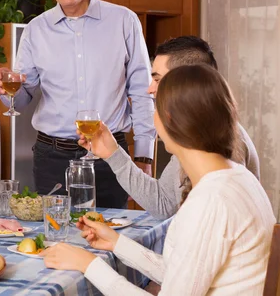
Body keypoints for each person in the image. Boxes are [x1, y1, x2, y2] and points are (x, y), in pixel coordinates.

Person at [41, 64, 275, 294]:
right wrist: (116, 243)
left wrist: (88, 265)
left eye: (156, 108)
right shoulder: (238, 178)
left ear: (170, 119)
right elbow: (182, 274)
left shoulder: (210, 202)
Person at [0, 0, 155, 208]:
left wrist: (145, 158)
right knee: (56, 239)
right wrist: (5, 90)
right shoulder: (36, 30)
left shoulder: (124, 21)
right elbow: (23, 99)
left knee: (112, 237)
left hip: (111, 156)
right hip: (52, 158)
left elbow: (142, 91)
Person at [79, 35, 260, 219]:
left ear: (184, 81)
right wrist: (113, 154)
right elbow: (164, 204)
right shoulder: (195, 132)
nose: (149, 89)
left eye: (157, 79)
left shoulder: (225, 146)